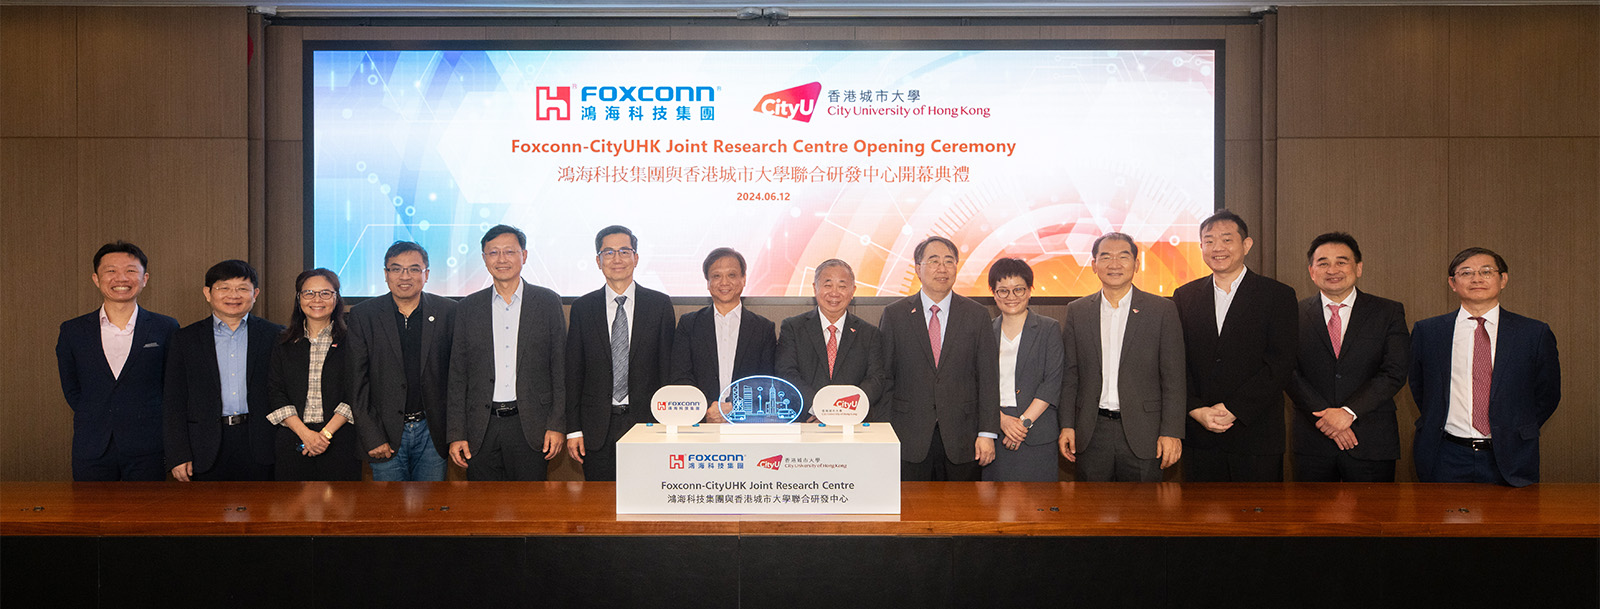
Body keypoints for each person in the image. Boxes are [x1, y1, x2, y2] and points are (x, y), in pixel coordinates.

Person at [1410, 247, 1560, 487]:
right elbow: (1420, 387)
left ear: (1503, 280)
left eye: (1486, 271)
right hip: (1445, 454)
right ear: (1453, 282)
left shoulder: (1533, 333)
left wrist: (1515, 427)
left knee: (1509, 523)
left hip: (1511, 454)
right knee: (1443, 523)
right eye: (1466, 272)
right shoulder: (1429, 332)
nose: (1476, 278)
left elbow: (1548, 393)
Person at [1171, 210, 1297, 482]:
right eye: (1209, 240)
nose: (1218, 248)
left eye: (1227, 239)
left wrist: (1235, 409)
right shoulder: (1184, 296)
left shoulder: (1277, 295)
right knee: (1200, 521)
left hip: (1256, 435)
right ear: (1201, 247)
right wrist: (1195, 409)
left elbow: (1281, 363)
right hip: (1200, 434)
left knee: (1257, 521)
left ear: (1246, 245)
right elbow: (1175, 361)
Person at [1059, 233, 1186, 481]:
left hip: (1145, 433)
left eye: (1123, 256)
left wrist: (1171, 432)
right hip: (1092, 431)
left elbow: (1174, 378)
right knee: (1091, 512)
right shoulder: (1078, 311)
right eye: (1105, 257)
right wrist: (1067, 424)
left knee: (1143, 513)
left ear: (1136, 265)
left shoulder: (1161, 310)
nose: (1114, 264)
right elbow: (1070, 375)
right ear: (1094, 265)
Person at [446, 225, 567, 481]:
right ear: (484, 259)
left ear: (523, 256)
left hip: (531, 425)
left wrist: (556, 425)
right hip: (481, 426)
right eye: (493, 253)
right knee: (482, 508)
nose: (502, 259)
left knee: (530, 508)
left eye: (509, 252)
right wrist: (457, 432)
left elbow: (560, 367)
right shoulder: (468, 307)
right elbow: (458, 375)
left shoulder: (547, 302)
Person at [1286, 232, 1409, 482]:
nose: (1333, 269)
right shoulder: (1292, 314)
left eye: (1342, 262)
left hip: (1371, 441)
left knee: (1373, 519)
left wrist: (1348, 412)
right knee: (1312, 519)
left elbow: (1394, 371)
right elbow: (1287, 371)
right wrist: (1326, 415)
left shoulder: (1388, 312)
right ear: (1311, 271)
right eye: (1323, 263)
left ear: (1358, 268)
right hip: (1313, 440)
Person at [55, 241, 180, 481]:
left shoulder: (166, 327)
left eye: (131, 271)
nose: (121, 278)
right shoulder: (73, 330)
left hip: (148, 447)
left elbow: (172, 386)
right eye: (111, 271)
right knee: (91, 515)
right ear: (96, 278)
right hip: (92, 445)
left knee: (143, 516)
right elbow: (72, 387)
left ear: (145, 278)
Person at [879, 236, 1000, 481]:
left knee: (961, 513)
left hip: (963, 439)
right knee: (911, 514)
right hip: (908, 438)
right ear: (918, 269)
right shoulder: (895, 315)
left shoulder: (976, 315)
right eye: (933, 261)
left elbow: (988, 379)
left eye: (949, 261)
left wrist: (987, 433)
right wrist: (884, 436)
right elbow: (885, 378)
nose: (942, 268)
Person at [565, 225, 676, 481]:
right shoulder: (583, 308)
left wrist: (669, 426)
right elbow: (573, 373)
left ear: (636, 258)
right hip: (596, 429)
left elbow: (667, 370)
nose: (617, 259)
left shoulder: (659, 305)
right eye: (609, 252)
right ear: (598, 261)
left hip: (648, 424)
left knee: (647, 502)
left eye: (624, 251)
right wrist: (573, 430)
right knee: (599, 506)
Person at [163, 260, 283, 481]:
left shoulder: (276, 336)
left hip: (262, 442)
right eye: (224, 288)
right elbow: (174, 400)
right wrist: (178, 454)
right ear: (208, 293)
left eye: (242, 288)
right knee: (208, 513)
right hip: (204, 445)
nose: (233, 295)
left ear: (255, 293)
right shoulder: (185, 339)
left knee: (262, 511)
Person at [348, 241, 457, 481]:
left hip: (433, 434)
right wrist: (372, 436)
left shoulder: (448, 312)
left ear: (426, 274)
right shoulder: (363, 315)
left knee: (430, 510)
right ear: (385, 274)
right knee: (390, 513)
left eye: (414, 269)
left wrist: (455, 433)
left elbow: (458, 377)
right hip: (384, 433)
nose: (404, 276)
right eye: (396, 269)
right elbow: (356, 382)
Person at [265, 269, 361, 481]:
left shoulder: (352, 340)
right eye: (309, 293)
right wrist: (306, 435)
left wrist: (324, 435)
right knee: (293, 510)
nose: (317, 299)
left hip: (340, 440)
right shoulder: (283, 341)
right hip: (293, 440)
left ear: (336, 299)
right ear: (299, 299)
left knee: (340, 511)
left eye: (326, 293)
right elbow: (275, 390)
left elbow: (355, 390)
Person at [671, 247, 776, 422]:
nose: (724, 282)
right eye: (717, 276)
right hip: (699, 422)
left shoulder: (763, 328)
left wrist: (735, 408)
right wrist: (706, 409)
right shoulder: (689, 325)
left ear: (744, 279)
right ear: (708, 282)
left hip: (748, 422)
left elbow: (766, 380)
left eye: (732, 275)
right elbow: (681, 376)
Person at [982, 258, 1062, 482]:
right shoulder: (986, 332)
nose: (1011, 297)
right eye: (1003, 291)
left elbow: (1052, 382)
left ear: (1029, 290)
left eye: (1018, 289)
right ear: (994, 294)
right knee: (995, 507)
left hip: (1036, 434)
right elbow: (978, 384)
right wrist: (1001, 420)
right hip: (995, 432)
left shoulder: (1049, 329)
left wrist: (1022, 424)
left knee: (1038, 508)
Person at [775, 259, 887, 419]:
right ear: (815, 288)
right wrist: (819, 408)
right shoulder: (793, 328)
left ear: (852, 291)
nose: (834, 293)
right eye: (827, 285)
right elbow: (786, 373)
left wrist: (844, 411)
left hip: (853, 424)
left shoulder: (869, 334)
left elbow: (875, 379)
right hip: (806, 421)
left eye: (842, 286)